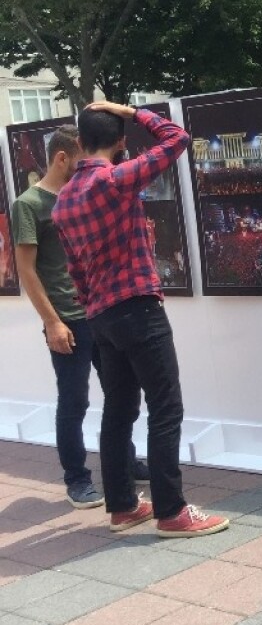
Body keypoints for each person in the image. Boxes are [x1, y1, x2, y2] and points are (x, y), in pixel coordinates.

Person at [53, 102, 228, 538]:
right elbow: (178, 139)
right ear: (120, 143)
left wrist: (94, 306)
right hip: (138, 307)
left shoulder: (63, 203)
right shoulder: (115, 180)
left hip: (100, 316)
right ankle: (171, 512)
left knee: (119, 410)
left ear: (78, 143)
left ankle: (123, 506)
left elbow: (75, 272)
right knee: (165, 407)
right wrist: (130, 110)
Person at [10, 125, 148, 509]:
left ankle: (124, 460)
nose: (88, 166)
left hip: (99, 310)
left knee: (121, 394)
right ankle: (77, 478)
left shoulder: (80, 195)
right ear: (61, 158)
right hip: (67, 320)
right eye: (81, 159)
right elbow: (27, 270)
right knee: (75, 402)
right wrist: (52, 321)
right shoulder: (30, 204)